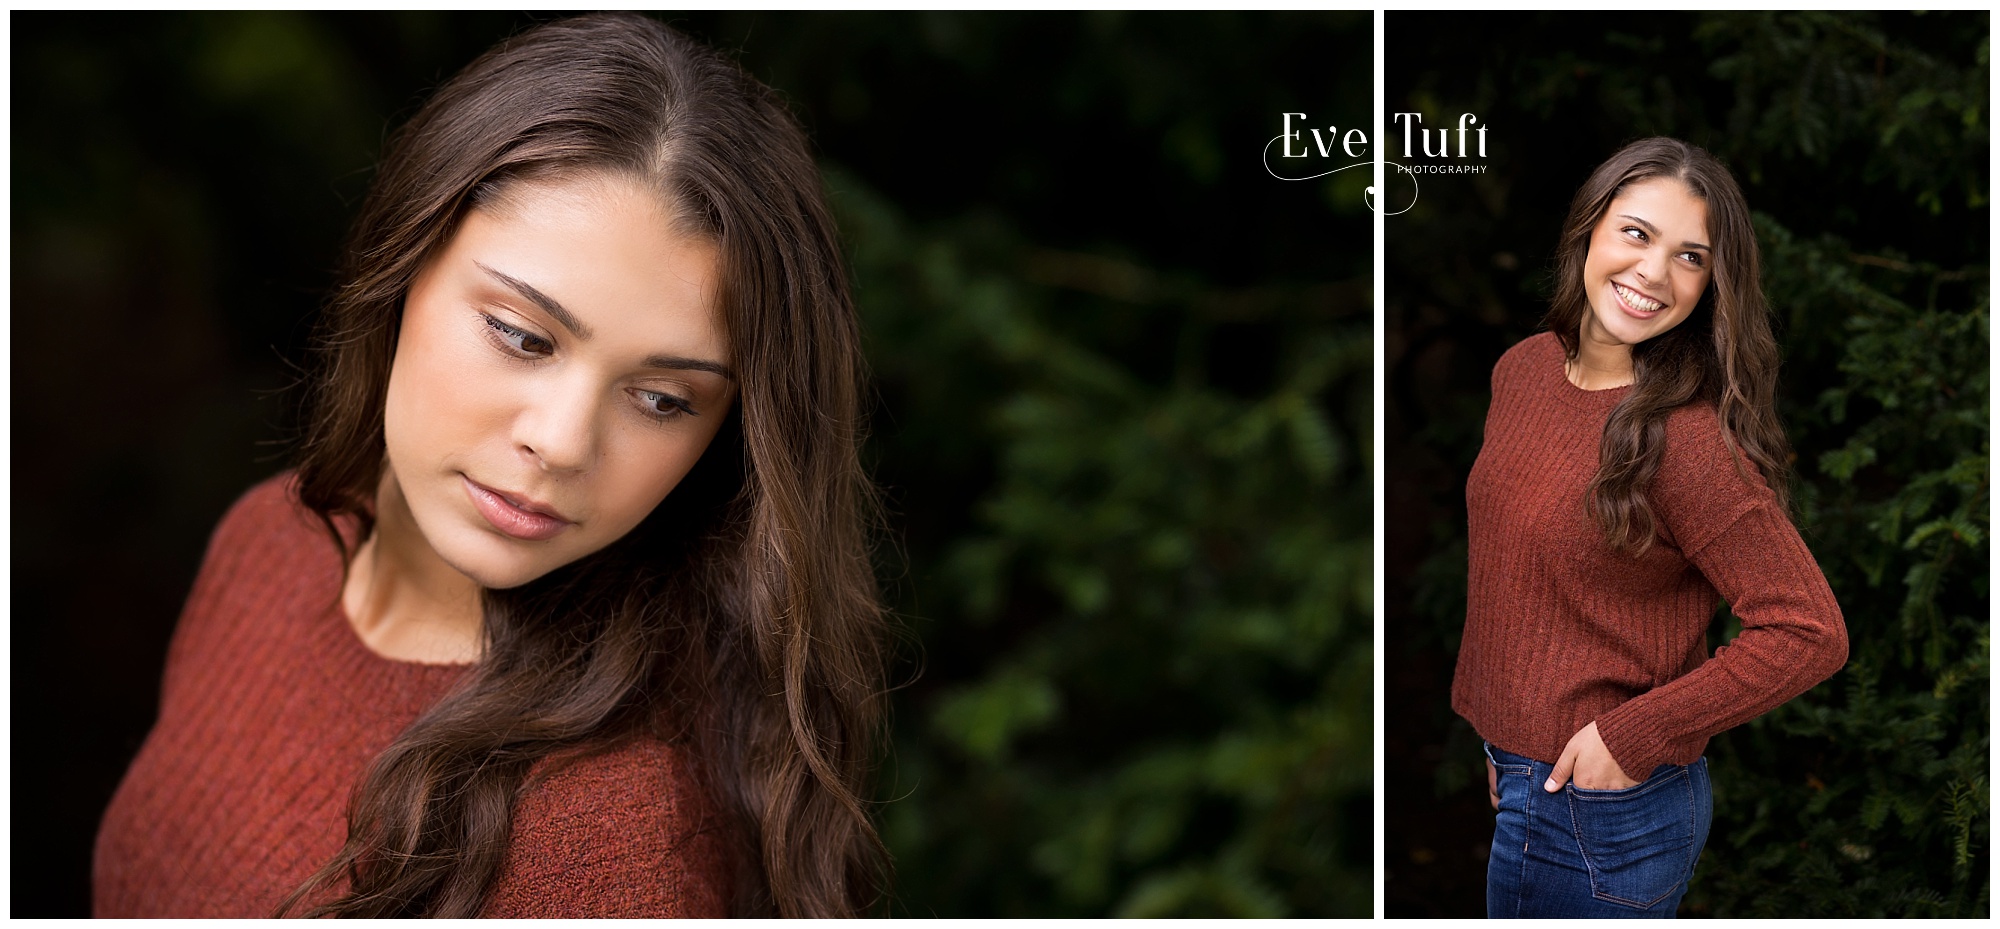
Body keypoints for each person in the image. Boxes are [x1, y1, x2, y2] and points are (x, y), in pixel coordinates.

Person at [93, 13, 887, 918]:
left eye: (663, 398)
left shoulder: (603, 852)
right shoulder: (273, 536)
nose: (561, 441)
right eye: (521, 335)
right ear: (403, 264)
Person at [1452, 137, 1847, 918]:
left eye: (1690, 256)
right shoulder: (1523, 369)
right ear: (1589, 229)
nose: (1653, 274)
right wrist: (1503, 732)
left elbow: (1809, 630)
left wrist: (1632, 735)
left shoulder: (1686, 441)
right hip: (1527, 779)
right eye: (1636, 233)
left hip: (1601, 815)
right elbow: (1514, 579)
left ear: (1710, 284)